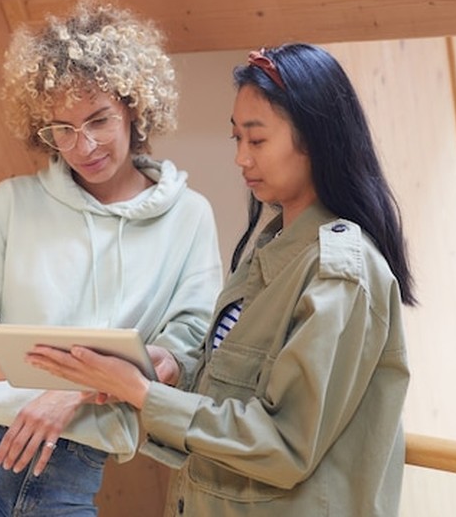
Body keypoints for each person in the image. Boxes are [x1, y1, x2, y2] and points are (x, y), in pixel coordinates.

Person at [27, 43, 416, 516]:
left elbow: (284, 444)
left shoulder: (342, 274)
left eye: (257, 140)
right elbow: (235, 397)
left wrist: (142, 393)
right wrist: (169, 372)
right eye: (236, 139)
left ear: (316, 139)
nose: (241, 159)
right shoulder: (272, 248)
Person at [0, 0, 223, 516]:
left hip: (76, 463)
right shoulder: (12, 203)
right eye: (62, 129)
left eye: (99, 120)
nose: (84, 146)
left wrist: (74, 392)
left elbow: (186, 347)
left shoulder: (188, 217)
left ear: (133, 105)